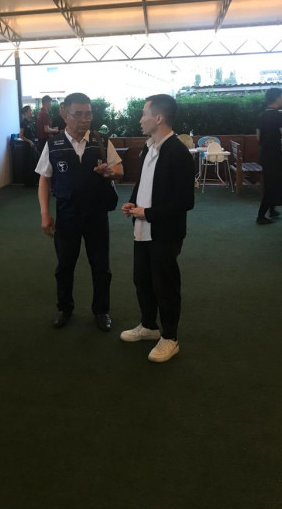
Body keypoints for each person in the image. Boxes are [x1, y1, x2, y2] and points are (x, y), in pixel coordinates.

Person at [36, 92, 123, 331]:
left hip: (97, 214)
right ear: (65, 113)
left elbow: (120, 170)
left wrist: (110, 172)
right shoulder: (53, 144)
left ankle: (101, 310)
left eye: (89, 114)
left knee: (101, 265)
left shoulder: (101, 141)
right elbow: (44, 178)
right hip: (67, 215)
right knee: (65, 265)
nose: (85, 119)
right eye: (79, 114)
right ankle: (64, 308)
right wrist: (45, 213)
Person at [120, 94, 195, 363]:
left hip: (164, 232)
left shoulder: (178, 153)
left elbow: (185, 202)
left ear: (159, 118)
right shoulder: (149, 147)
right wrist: (133, 202)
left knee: (165, 285)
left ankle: (170, 338)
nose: (141, 119)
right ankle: (149, 327)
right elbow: (144, 183)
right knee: (142, 280)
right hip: (142, 230)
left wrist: (148, 213)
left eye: (144, 114)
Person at [256, 87, 282, 225]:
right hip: (274, 156)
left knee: (272, 182)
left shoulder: (261, 115)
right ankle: (261, 216)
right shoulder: (279, 116)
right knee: (273, 185)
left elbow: (258, 137)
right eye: (281, 96)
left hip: (264, 155)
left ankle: (272, 210)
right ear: (277, 98)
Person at [19, 105, 39, 187]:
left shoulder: (31, 121)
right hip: (27, 146)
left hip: (33, 144)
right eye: (30, 110)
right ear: (26, 112)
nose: (31, 112)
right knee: (28, 163)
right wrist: (29, 141)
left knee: (33, 162)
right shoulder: (23, 122)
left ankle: (33, 181)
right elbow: (21, 135)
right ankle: (28, 183)